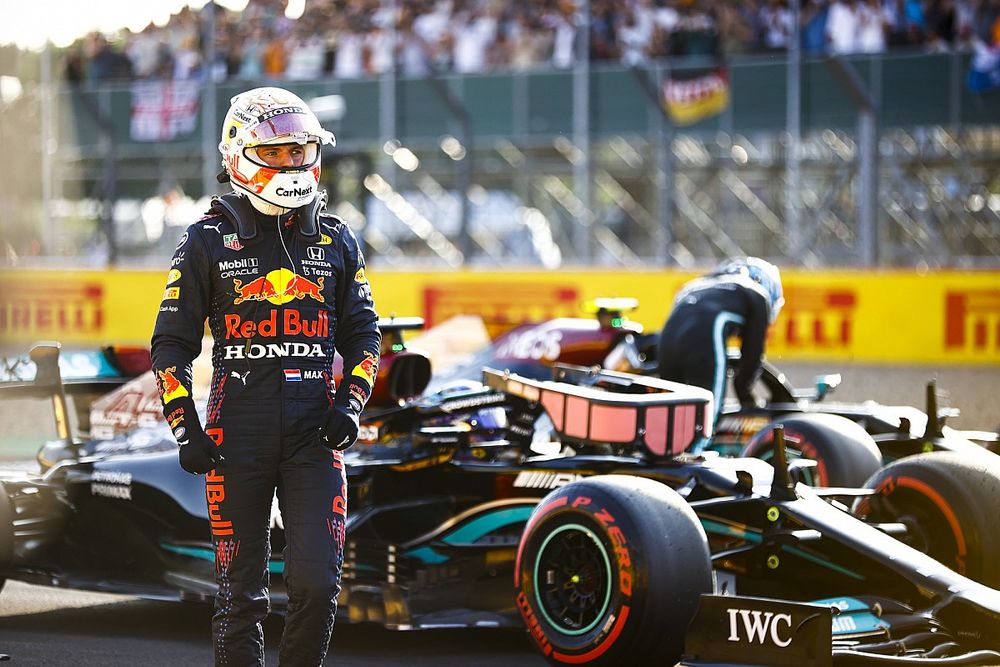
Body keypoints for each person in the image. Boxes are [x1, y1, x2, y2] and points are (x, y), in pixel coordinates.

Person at [151, 86, 380, 666]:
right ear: (238, 156)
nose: (291, 164)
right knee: (239, 597)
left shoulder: (336, 239)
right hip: (236, 436)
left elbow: (366, 338)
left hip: (315, 436)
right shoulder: (205, 238)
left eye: (300, 151)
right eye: (275, 153)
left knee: (319, 586)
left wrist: (350, 405)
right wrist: (186, 427)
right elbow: (170, 346)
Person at [656, 257, 784, 433]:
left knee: (670, 424)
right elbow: (753, 354)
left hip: (667, 341)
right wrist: (746, 396)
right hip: (706, 335)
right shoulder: (756, 294)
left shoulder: (693, 286)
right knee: (706, 422)